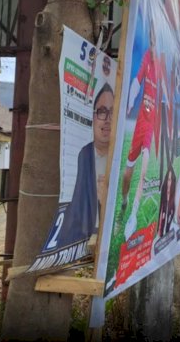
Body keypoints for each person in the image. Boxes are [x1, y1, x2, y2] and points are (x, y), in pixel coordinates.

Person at [121, 22, 170, 240]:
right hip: (141, 121)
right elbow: (136, 81)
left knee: (142, 171)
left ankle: (132, 215)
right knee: (128, 172)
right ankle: (124, 200)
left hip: (152, 124)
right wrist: (131, 101)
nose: (153, 40)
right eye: (151, 36)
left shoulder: (162, 63)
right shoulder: (148, 57)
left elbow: (167, 95)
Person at [57, 83, 114, 247]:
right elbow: (77, 204)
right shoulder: (84, 155)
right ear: (94, 117)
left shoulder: (121, 158)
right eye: (102, 112)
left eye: (112, 113)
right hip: (86, 241)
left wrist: (107, 201)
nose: (108, 120)